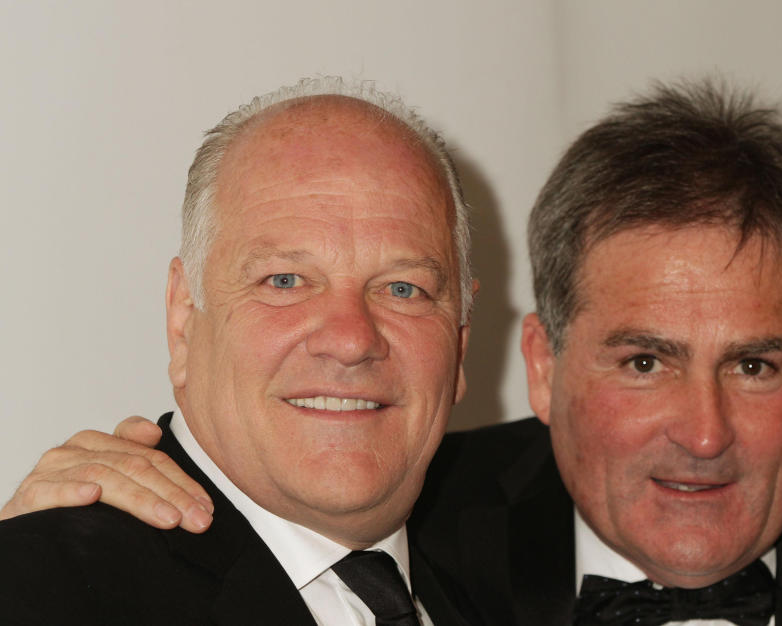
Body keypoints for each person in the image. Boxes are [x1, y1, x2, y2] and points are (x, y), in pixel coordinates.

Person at [6, 79, 782, 625]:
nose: (703, 435)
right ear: (539, 365)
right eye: (643, 361)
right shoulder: (420, 520)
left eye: (754, 365)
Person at [0, 77, 475, 625]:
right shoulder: (46, 589)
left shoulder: (509, 586)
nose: (351, 340)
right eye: (285, 280)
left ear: (461, 341)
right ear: (183, 320)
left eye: (402, 289)